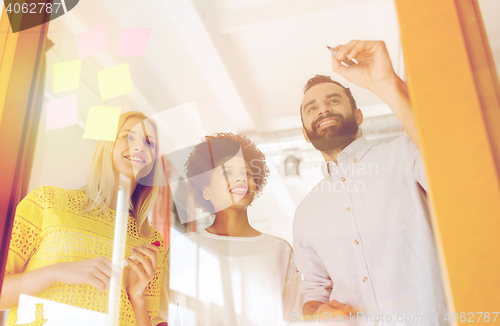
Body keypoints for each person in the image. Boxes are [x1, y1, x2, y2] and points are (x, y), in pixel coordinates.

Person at [293, 40, 448, 325]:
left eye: (333, 100)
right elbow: (314, 292)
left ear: (359, 115)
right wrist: (316, 312)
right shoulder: (305, 212)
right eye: (311, 109)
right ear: (305, 134)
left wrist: (384, 81)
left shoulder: (404, 153)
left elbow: (448, 166)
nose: (323, 110)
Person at [0, 111, 166, 326]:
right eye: (128, 136)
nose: (140, 147)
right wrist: (57, 271)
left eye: (149, 143)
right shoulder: (48, 201)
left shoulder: (151, 241)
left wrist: (137, 296)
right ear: (107, 145)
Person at [154, 133, 302, 326]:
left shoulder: (280, 251)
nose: (240, 179)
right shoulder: (185, 248)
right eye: (226, 173)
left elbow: (295, 317)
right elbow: (162, 317)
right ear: (205, 190)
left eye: (247, 173)